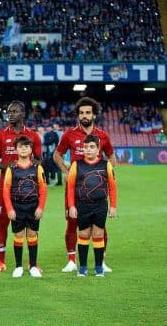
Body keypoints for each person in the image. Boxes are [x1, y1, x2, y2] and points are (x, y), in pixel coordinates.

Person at [53, 97, 116, 273]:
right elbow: (57, 155)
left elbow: (111, 156)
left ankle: (100, 261)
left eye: (88, 112)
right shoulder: (69, 134)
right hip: (75, 189)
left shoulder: (103, 136)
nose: (84, 115)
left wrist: (109, 173)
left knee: (99, 226)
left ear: (94, 115)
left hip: (96, 190)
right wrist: (66, 172)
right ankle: (72, 260)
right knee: (72, 222)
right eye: (81, 113)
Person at [0, 101, 42, 273]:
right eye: (8, 111)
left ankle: (31, 263)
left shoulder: (33, 136)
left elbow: (39, 159)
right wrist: (8, 166)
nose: (10, 114)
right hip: (5, 187)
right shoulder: (0, 135)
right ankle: (0, 261)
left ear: (23, 114)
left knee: (30, 225)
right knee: (3, 222)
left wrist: (34, 163)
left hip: (28, 190)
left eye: (14, 111)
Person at [67, 134, 117, 277]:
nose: (88, 150)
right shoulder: (77, 165)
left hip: (100, 205)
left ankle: (98, 267)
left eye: (91, 147)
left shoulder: (106, 165)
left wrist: (113, 206)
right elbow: (70, 187)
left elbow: (113, 187)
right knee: (83, 234)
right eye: (85, 147)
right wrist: (71, 206)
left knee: (98, 234)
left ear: (98, 149)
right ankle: (82, 267)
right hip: (82, 205)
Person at [2, 136, 47, 278]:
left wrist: (40, 207)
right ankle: (18, 266)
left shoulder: (38, 168)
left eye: (26, 147)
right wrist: (9, 208)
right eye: (21, 146)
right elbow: (6, 190)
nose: (23, 149)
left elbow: (43, 189)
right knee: (18, 235)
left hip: (33, 206)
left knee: (32, 234)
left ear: (31, 149)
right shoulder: (11, 168)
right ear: (16, 149)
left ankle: (33, 266)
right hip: (17, 206)